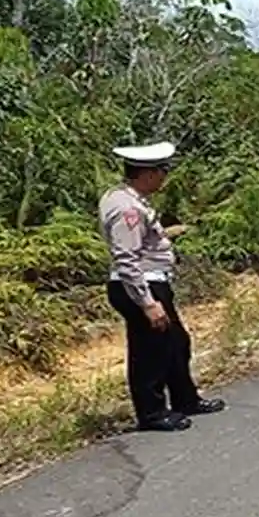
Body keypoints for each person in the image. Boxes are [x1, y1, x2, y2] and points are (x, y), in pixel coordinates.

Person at [101, 142, 226, 432]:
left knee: (176, 344)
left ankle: (186, 399)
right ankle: (152, 413)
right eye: (162, 171)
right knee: (149, 352)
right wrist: (146, 302)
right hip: (139, 286)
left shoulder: (132, 199)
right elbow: (126, 259)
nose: (164, 178)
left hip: (153, 282)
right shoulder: (126, 208)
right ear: (147, 174)